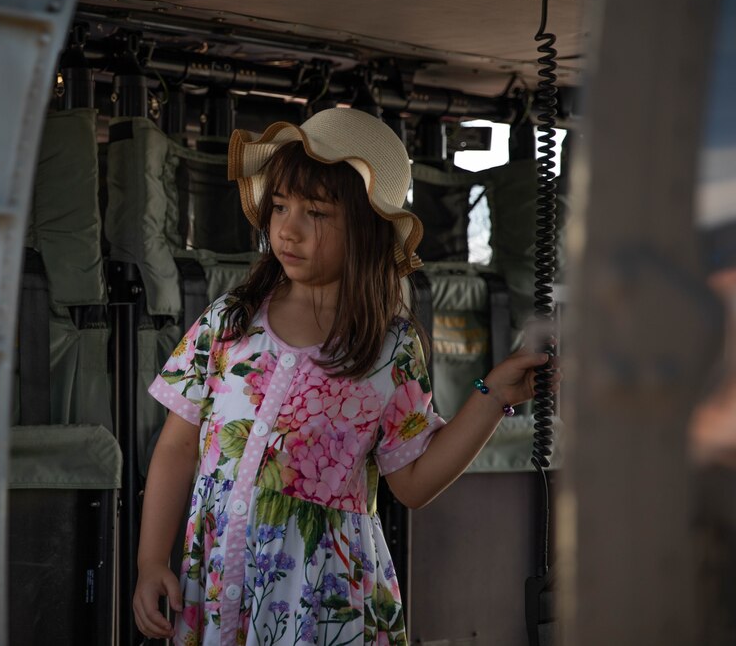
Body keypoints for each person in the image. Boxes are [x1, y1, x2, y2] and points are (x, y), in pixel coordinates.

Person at [132, 107, 559, 645]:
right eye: (280, 206)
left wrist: (493, 396)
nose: (287, 228)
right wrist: (151, 560)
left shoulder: (390, 348)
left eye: (316, 212)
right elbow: (175, 446)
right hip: (216, 589)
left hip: (324, 604)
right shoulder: (228, 320)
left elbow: (414, 482)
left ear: (367, 228)